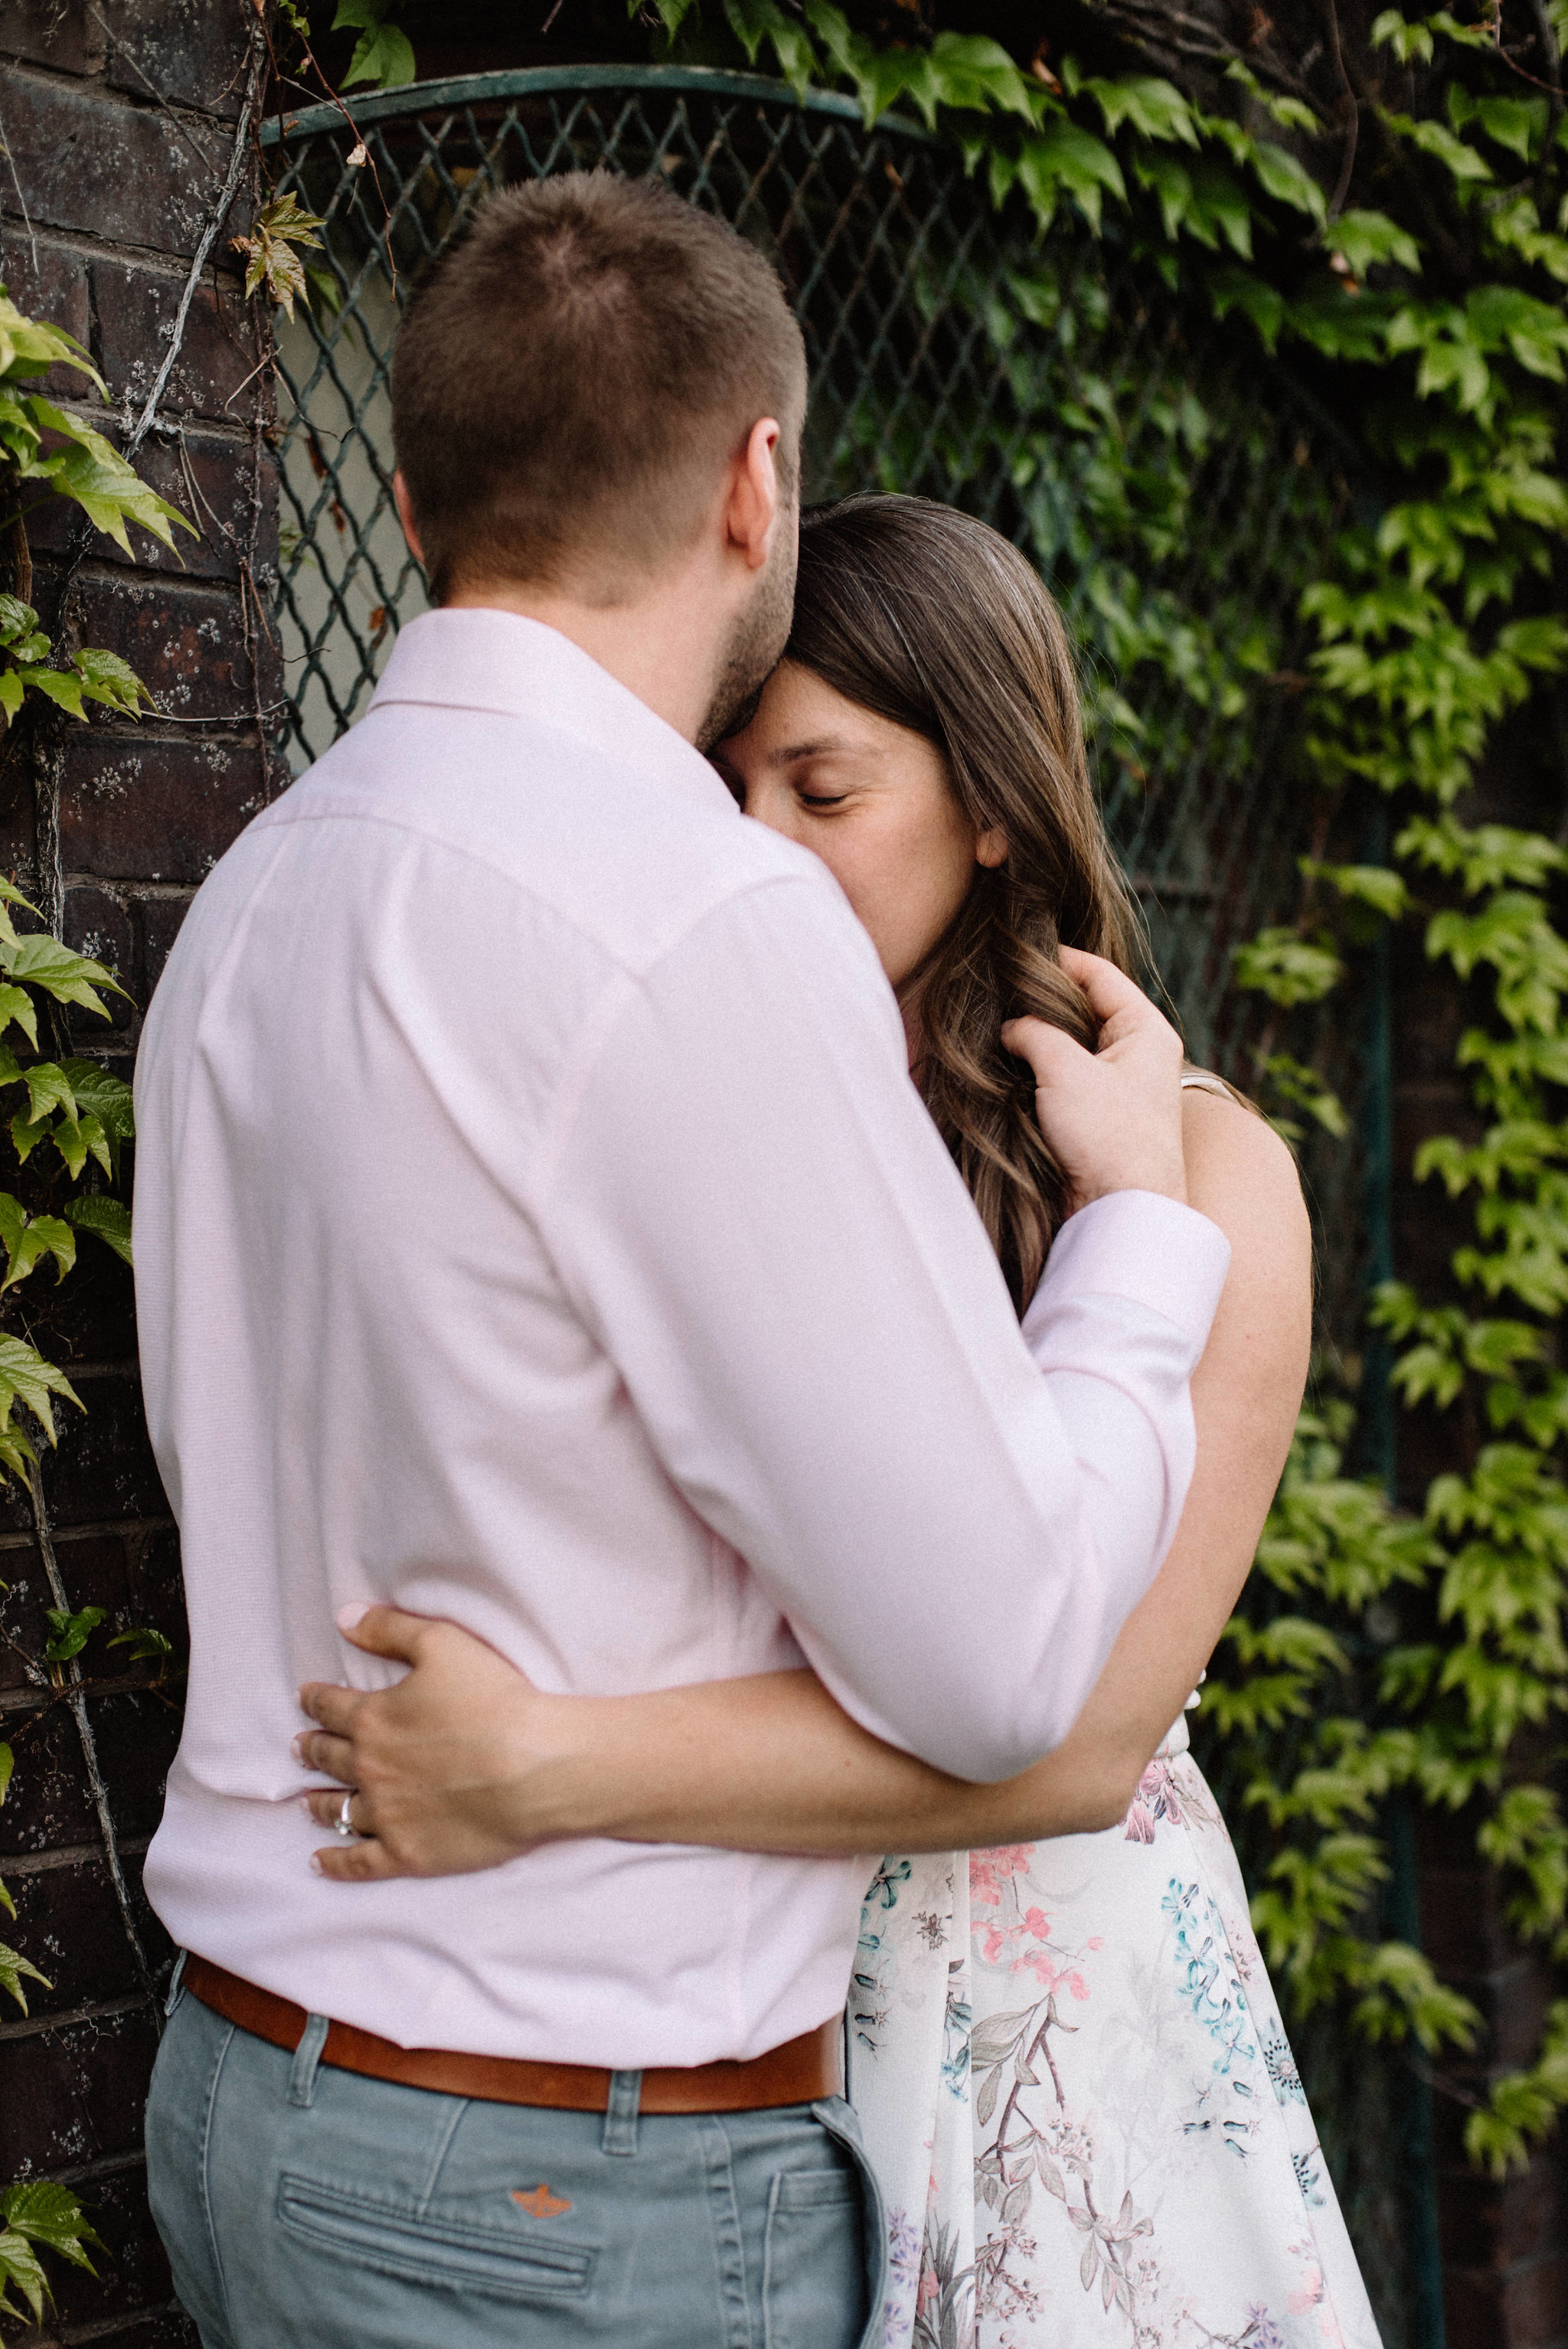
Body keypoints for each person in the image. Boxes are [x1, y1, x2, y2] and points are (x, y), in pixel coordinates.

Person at [132, 178, 1230, 2349]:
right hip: (552, 2183)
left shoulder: (255, 893)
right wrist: (1139, 1252)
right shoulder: (692, 920)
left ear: (410, 488)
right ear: (760, 485)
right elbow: (1004, 1657)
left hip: (246, 2099)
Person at [293, 498, 1381, 2347]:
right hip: (730, 2020)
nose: (760, 847)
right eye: (725, 790)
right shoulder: (716, 1116)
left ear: (993, 806)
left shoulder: (1205, 1168)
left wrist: (539, 1764)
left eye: (823, 788)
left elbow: (1081, 1748)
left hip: (1059, 2042)